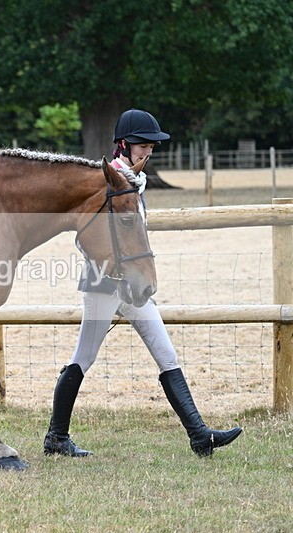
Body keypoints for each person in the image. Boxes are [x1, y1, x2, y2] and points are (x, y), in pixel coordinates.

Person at [43, 109, 243, 458]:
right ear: (123, 145)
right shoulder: (106, 180)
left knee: (166, 353)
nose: (147, 153)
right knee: (84, 357)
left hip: (132, 285)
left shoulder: (136, 179)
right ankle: (56, 438)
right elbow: (85, 237)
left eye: (151, 147)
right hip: (102, 283)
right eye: (142, 147)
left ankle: (199, 435)